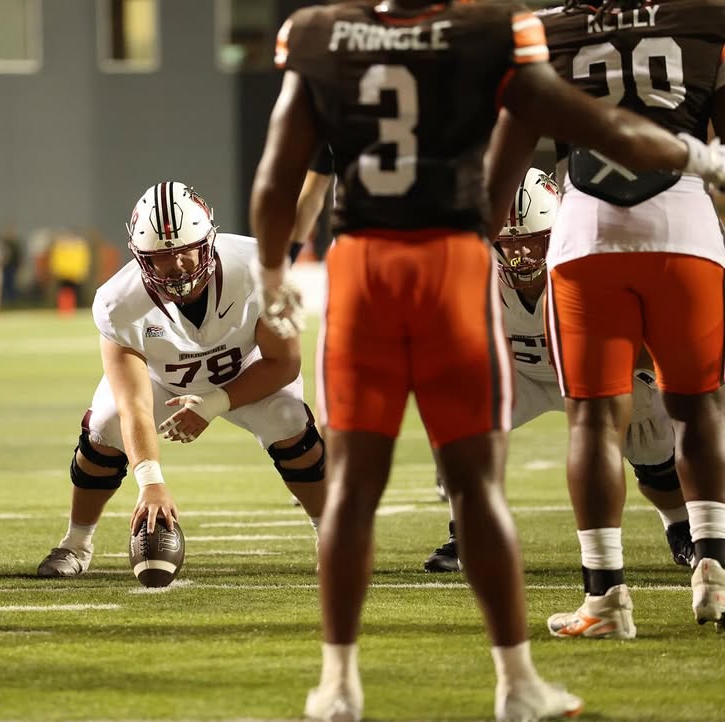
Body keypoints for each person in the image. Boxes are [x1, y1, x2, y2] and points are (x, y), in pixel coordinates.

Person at [250, 2, 725, 720]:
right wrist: (698, 158)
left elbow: (276, 175)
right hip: (453, 260)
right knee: (478, 485)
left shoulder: (320, 34)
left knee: (351, 488)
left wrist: (272, 271)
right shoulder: (491, 31)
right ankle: (517, 683)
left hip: (363, 267)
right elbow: (598, 125)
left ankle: (338, 684)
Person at [484, 0, 725, 638]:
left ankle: (607, 596)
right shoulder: (704, 17)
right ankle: (716, 570)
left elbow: (505, 160)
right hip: (685, 222)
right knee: (698, 404)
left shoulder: (546, 29)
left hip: (588, 228)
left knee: (594, 419)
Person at [36, 181, 325, 577]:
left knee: (289, 419)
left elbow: (283, 363)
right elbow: (133, 404)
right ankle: (75, 543)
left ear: (207, 242)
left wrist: (213, 404)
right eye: (161, 256)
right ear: (141, 257)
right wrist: (150, 481)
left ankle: (330, 534)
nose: (175, 265)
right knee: (104, 425)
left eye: (184, 250)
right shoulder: (118, 302)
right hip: (163, 382)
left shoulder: (257, 267)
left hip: (246, 372)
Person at [422, 170, 694, 577]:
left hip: (591, 371)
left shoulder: (590, 262)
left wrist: (649, 370)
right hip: (522, 374)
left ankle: (680, 527)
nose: (521, 255)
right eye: (510, 243)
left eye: (533, 241)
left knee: (654, 450)